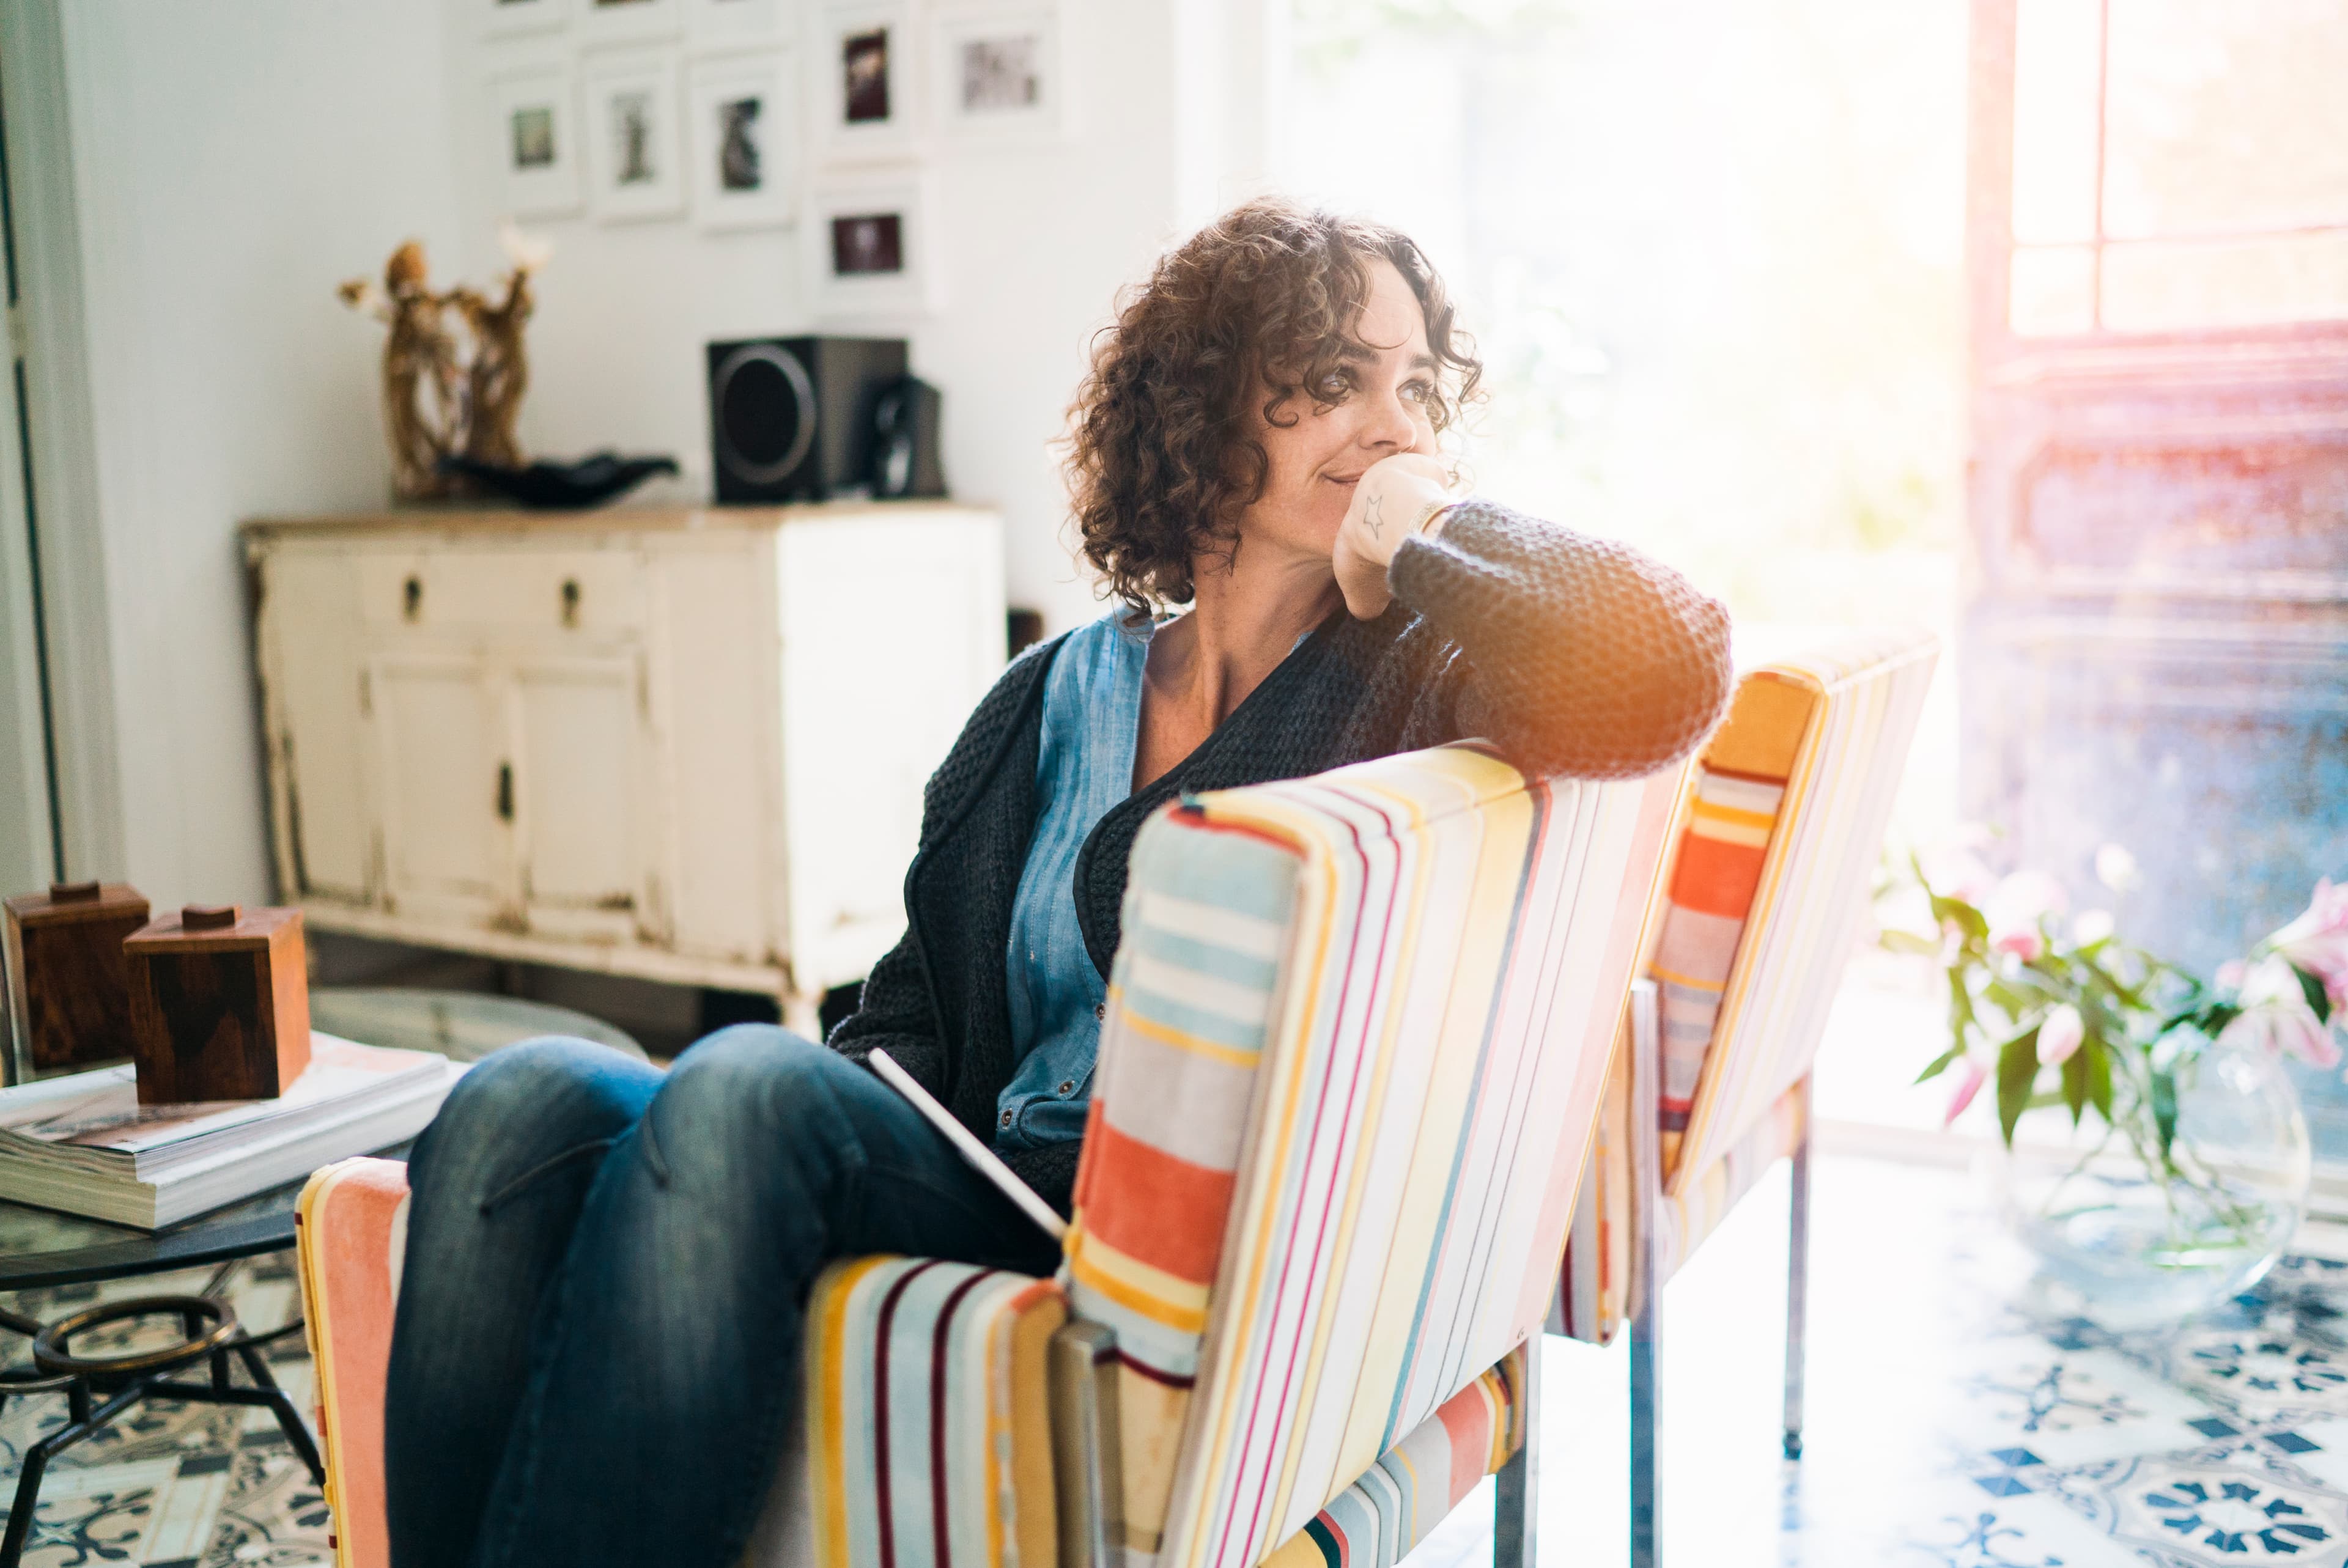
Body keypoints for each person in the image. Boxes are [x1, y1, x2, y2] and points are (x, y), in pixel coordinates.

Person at [383, 197, 1732, 1568]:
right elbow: (904, 1016)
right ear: (1209, 416)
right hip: (973, 1169)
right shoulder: (1046, 697)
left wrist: (1421, 528)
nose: (1393, 421)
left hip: (1124, 1230)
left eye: (1417, 389)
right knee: (514, 1097)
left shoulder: (1417, 685)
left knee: (741, 1080)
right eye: (1333, 383)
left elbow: (1673, 664)